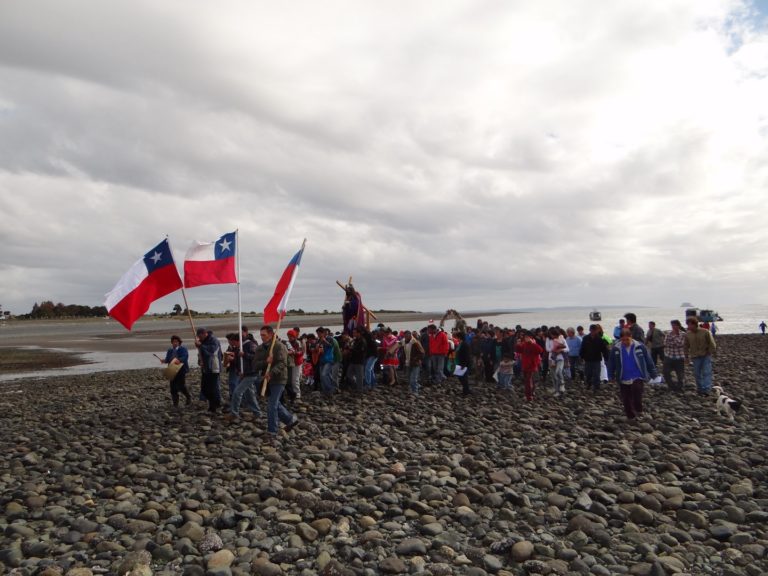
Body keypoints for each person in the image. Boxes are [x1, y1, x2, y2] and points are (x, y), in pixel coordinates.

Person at [254, 325, 299, 442]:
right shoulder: (259, 348)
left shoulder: (279, 346)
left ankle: (272, 431)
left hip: (279, 379)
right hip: (266, 380)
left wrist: (271, 373)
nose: (262, 337)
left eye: (264, 335)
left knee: (272, 405)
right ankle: (290, 420)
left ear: (271, 334)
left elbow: (282, 363)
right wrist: (266, 362)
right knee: (274, 403)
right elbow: (255, 364)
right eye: (261, 335)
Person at [607, 329, 657, 421]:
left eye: (627, 339)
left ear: (631, 337)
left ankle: (639, 409)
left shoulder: (640, 346)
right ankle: (631, 416)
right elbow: (611, 363)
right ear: (621, 339)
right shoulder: (616, 349)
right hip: (623, 377)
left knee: (636, 391)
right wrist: (610, 376)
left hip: (637, 375)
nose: (625, 342)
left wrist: (653, 373)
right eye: (623, 340)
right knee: (626, 399)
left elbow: (648, 360)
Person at [226, 327, 262, 420]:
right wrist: (239, 371)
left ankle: (234, 413)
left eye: (233, 342)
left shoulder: (250, 345)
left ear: (238, 341)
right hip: (245, 374)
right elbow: (239, 361)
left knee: (237, 392)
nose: (232, 344)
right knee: (249, 395)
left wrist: (245, 354)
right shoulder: (238, 348)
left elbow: (256, 357)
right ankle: (257, 412)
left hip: (252, 373)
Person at [684, 317, 717, 395]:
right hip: (695, 357)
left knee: (706, 372)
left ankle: (706, 389)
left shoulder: (705, 332)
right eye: (687, 325)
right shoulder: (688, 334)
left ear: (694, 324)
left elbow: (712, 343)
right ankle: (700, 389)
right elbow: (686, 346)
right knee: (697, 374)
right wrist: (686, 356)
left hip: (705, 355)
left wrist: (709, 352)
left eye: (689, 325)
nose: (688, 327)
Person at [195, 327, 223, 413]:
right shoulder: (203, 341)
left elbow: (211, 351)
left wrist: (201, 346)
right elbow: (201, 354)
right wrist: (200, 361)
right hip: (205, 368)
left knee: (212, 388)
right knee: (204, 388)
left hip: (214, 368)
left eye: (200, 336)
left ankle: (213, 406)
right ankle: (215, 403)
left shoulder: (214, 340)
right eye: (198, 337)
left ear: (205, 333)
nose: (199, 338)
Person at [161, 335, 191, 407]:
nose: (175, 343)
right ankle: (175, 403)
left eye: (176, 342)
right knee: (173, 387)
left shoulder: (183, 349)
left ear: (179, 342)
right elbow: (168, 359)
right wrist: (164, 360)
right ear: (172, 342)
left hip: (181, 369)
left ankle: (188, 397)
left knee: (181, 386)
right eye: (173, 342)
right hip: (172, 369)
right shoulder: (170, 350)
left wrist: (179, 360)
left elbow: (185, 357)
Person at [579, 324, 609, 392]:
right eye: (592, 330)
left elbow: (604, 349)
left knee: (596, 373)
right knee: (588, 373)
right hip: (588, 359)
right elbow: (582, 348)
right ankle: (588, 384)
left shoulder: (599, 339)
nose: (593, 332)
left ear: (596, 331)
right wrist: (581, 356)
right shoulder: (585, 338)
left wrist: (606, 357)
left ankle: (596, 386)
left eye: (594, 330)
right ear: (590, 330)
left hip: (597, 359)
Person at [517, 331, 544, 401]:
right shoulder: (524, 344)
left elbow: (540, 351)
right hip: (525, 365)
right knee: (527, 380)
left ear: (531, 338)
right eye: (525, 337)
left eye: (527, 337)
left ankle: (529, 396)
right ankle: (530, 393)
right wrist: (518, 344)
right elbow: (519, 350)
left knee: (528, 380)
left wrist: (533, 343)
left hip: (532, 365)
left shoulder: (533, 344)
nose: (526, 338)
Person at [663, 319, 686, 392]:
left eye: (674, 325)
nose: (673, 327)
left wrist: (673, 339)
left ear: (678, 326)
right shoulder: (668, 334)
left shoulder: (683, 334)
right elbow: (666, 344)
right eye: (672, 325)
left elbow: (681, 344)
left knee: (680, 373)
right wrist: (674, 342)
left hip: (679, 356)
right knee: (666, 372)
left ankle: (679, 387)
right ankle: (671, 386)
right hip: (669, 355)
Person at [403, 330, 425, 395]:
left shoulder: (415, 342)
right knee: (409, 378)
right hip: (408, 363)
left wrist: (416, 359)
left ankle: (415, 391)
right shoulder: (404, 342)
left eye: (407, 336)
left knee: (413, 378)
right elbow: (404, 352)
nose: (406, 337)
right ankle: (413, 389)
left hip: (415, 363)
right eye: (405, 336)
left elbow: (422, 353)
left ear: (410, 335)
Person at [285, 329, 305, 402]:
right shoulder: (288, 343)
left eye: (290, 336)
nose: (289, 337)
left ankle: (297, 394)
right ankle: (292, 393)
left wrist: (294, 353)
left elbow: (301, 353)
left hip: (297, 362)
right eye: (288, 336)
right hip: (290, 363)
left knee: (295, 379)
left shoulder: (297, 343)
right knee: (289, 379)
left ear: (294, 336)